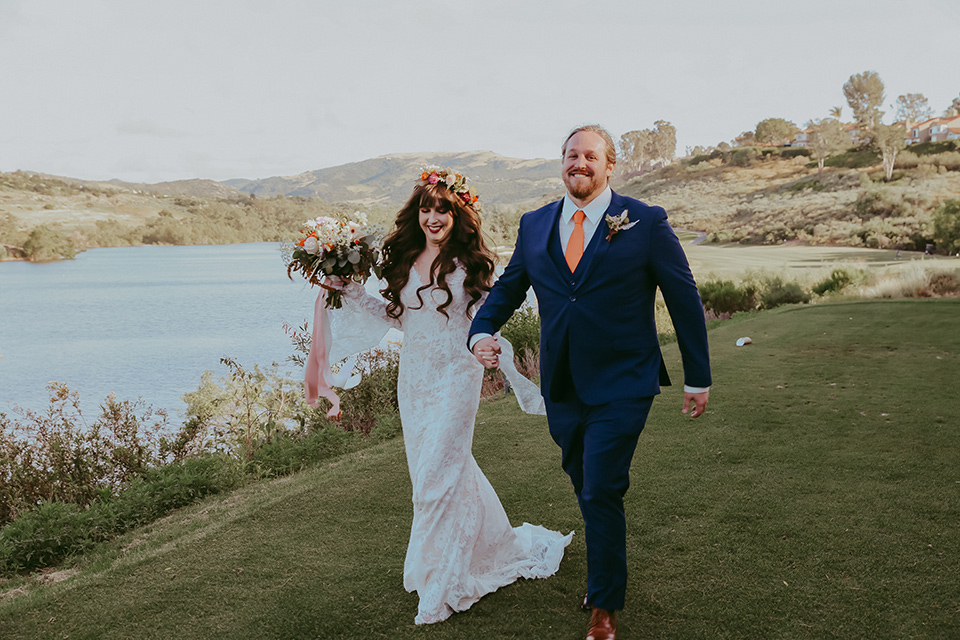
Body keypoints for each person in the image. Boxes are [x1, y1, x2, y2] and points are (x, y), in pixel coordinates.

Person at [469, 125, 712, 640]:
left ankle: (604, 604)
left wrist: (698, 376)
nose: (580, 163)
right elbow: (510, 287)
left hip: (625, 378)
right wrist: (481, 330)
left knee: (601, 484)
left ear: (609, 165)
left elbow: (684, 297)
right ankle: (605, 568)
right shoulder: (535, 224)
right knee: (583, 479)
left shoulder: (644, 221)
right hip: (561, 380)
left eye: (590, 156)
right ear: (562, 162)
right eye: (571, 155)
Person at [330, 167, 572, 625]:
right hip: (415, 379)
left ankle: (442, 585)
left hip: (456, 377)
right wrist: (351, 290)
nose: (433, 216)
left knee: (436, 477)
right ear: (416, 214)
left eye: (443, 208)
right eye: (426, 207)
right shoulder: (404, 258)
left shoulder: (471, 264)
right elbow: (403, 318)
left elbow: (486, 317)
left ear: (459, 214)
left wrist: (486, 345)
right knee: (434, 473)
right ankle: (484, 549)